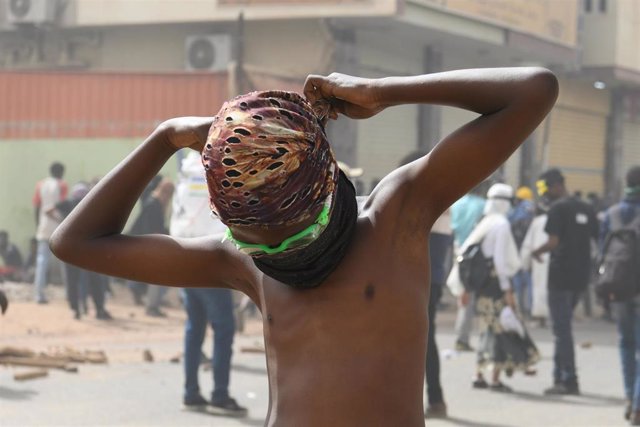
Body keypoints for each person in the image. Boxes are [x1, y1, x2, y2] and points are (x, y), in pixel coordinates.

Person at [51, 67, 558, 425]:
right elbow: (75, 242)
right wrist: (164, 138)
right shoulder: (244, 262)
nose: (283, 256)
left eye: (293, 233)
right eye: (259, 241)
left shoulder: (395, 218)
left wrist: (379, 92)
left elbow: (534, 90)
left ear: (323, 189)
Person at [171, 151, 247, 416]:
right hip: (211, 258)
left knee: (194, 328)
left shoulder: (187, 173)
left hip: (182, 254)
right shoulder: (219, 169)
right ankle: (220, 394)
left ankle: (191, 393)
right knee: (223, 329)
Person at [460, 183, 538, 392]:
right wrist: (508, 291)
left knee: (487, 329)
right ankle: (494, 379)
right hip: (496, 285)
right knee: (499, 330)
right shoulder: (501, 224)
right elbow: (500, 262)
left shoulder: (485, 222)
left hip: (483, 286)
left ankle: (478, 375)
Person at [532, 168, 598, 396]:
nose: (544, 194)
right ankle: (559, 376)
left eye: (544, 189)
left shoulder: (557, 209)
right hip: (580, 277)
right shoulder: (586, 208)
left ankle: (569, 379)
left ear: (555, 185)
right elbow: (593, 238)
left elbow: (553, 241)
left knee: (561, 330)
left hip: (560, 277)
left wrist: (536, 251)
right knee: (564, 327)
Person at [600, 166, 640, 424]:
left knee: (626, 344)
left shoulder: (611, 214)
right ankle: (638, 407)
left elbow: (601, 253)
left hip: (618, 289)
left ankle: (628, 398)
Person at [53, 183, 112, 320]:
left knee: (72, 281)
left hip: (70, 250)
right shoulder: (92, 204)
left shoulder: (68, 203)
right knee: (95, 281)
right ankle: (99, 309)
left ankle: (76, 310)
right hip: (89, 249)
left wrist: (61, 222)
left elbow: (48, 209)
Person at [127, 177, 175, 316]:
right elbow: (151, 229)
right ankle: (152, 306)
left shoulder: (155, 203)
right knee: (158, 274)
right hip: (144, 243)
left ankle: (142, 294)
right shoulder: (153, 204)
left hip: (143, 242)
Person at [449, 183, 488, 352]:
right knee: (474, 297)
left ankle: (462, 337)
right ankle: (466, 339)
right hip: (476, 255)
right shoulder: (482, 205)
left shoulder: (456, 204)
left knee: (464, 296)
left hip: (458, 250)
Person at [33, 161, 67, 303]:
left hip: (44, 227)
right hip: (59, 227)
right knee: (65, 261)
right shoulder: (62, 185)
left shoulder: (40, 185)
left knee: (41, 262)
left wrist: (38, 225)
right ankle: (68, 294)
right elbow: (64, 207)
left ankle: (38, 295)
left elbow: (36, 207)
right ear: (61, 172)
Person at [520, 197, 551, 327]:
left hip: (539, 259)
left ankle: (540, 318)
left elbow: (527, 245)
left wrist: (525, 263)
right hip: (554, 259)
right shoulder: (555, 219)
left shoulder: (537, 222)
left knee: (539, 288)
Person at [509, 186, 535, 317]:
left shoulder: (516, 211)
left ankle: (519, 308)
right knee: (530, 281)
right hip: (532, 250)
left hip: (517, 249)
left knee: (517, 280)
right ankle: (530, 308)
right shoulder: (535, 210)